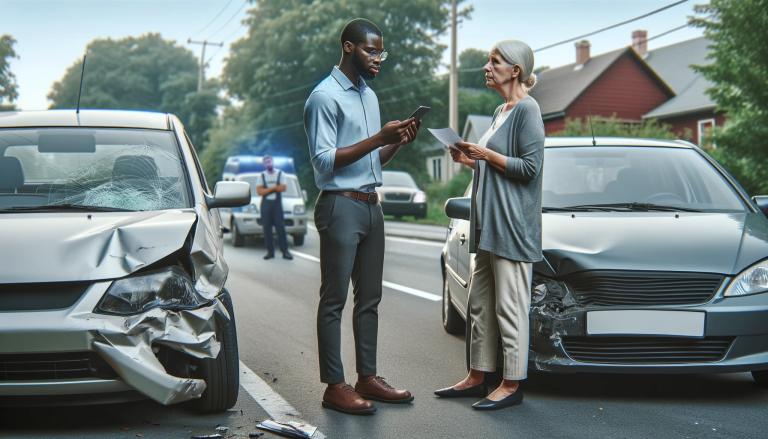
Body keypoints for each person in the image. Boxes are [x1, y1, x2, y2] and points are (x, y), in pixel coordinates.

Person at [303, 18, 421, 415]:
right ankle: (334, 386)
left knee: (369, 299)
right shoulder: (324, 97)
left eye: (381, 52)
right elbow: (322, 163)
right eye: (372, 50)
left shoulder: (369, 96)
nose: (378, 58)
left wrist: (396, 143)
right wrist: (378, 138)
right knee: (334, 299)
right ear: (349, 47)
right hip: (339, 206)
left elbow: (372, 158)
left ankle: (367, 377)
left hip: (372, 206)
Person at [434, 39, 545, 410]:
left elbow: (529, 169)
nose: (486, 66)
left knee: (510, 308)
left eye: (494, 61)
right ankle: (478, 376)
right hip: (487, 227)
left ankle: (512, 385)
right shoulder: (501, 110)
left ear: (515, 70)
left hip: (512, 227)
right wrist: (469, 160)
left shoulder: (528, 111)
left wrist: (485, 153)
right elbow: (496, 169)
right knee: (479, 305)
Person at [256, 155, 293, 260]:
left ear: (272, 162)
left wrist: (267, 189)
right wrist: (275, 187)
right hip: (265, 205)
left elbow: (283, 188)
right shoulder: (261, 176)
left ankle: (285, 251)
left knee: (280, 228)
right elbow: (259, 191)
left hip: (277, 205)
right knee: (267, 228)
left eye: (269, 161)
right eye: (266, 162)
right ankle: (270, 252)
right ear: (264, 164)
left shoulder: (280, 174)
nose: (268, 163)